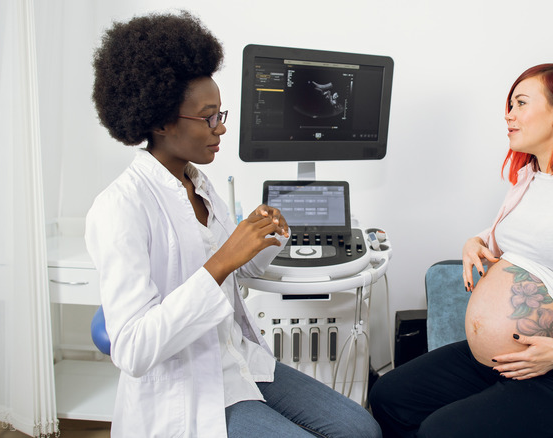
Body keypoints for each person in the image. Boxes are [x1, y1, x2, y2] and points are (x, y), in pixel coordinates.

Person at [86, 11, 381, 438]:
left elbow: (238, 270)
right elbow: (133, 348)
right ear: (160, 122)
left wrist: (265, 238)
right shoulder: (120, 208)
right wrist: (222, 260)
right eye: (208, 118)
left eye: (220, 112)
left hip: (239, 361)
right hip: (186, 388)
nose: (221, 127)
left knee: (363, 430)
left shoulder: (198, 183)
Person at [369, 64, 553, 437]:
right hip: (497, 362)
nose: (509, 114)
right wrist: (477, 240)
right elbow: (528, 236)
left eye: (520, 103)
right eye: (509, 105)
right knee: (389, 395)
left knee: (441, 431)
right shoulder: (528, 179)